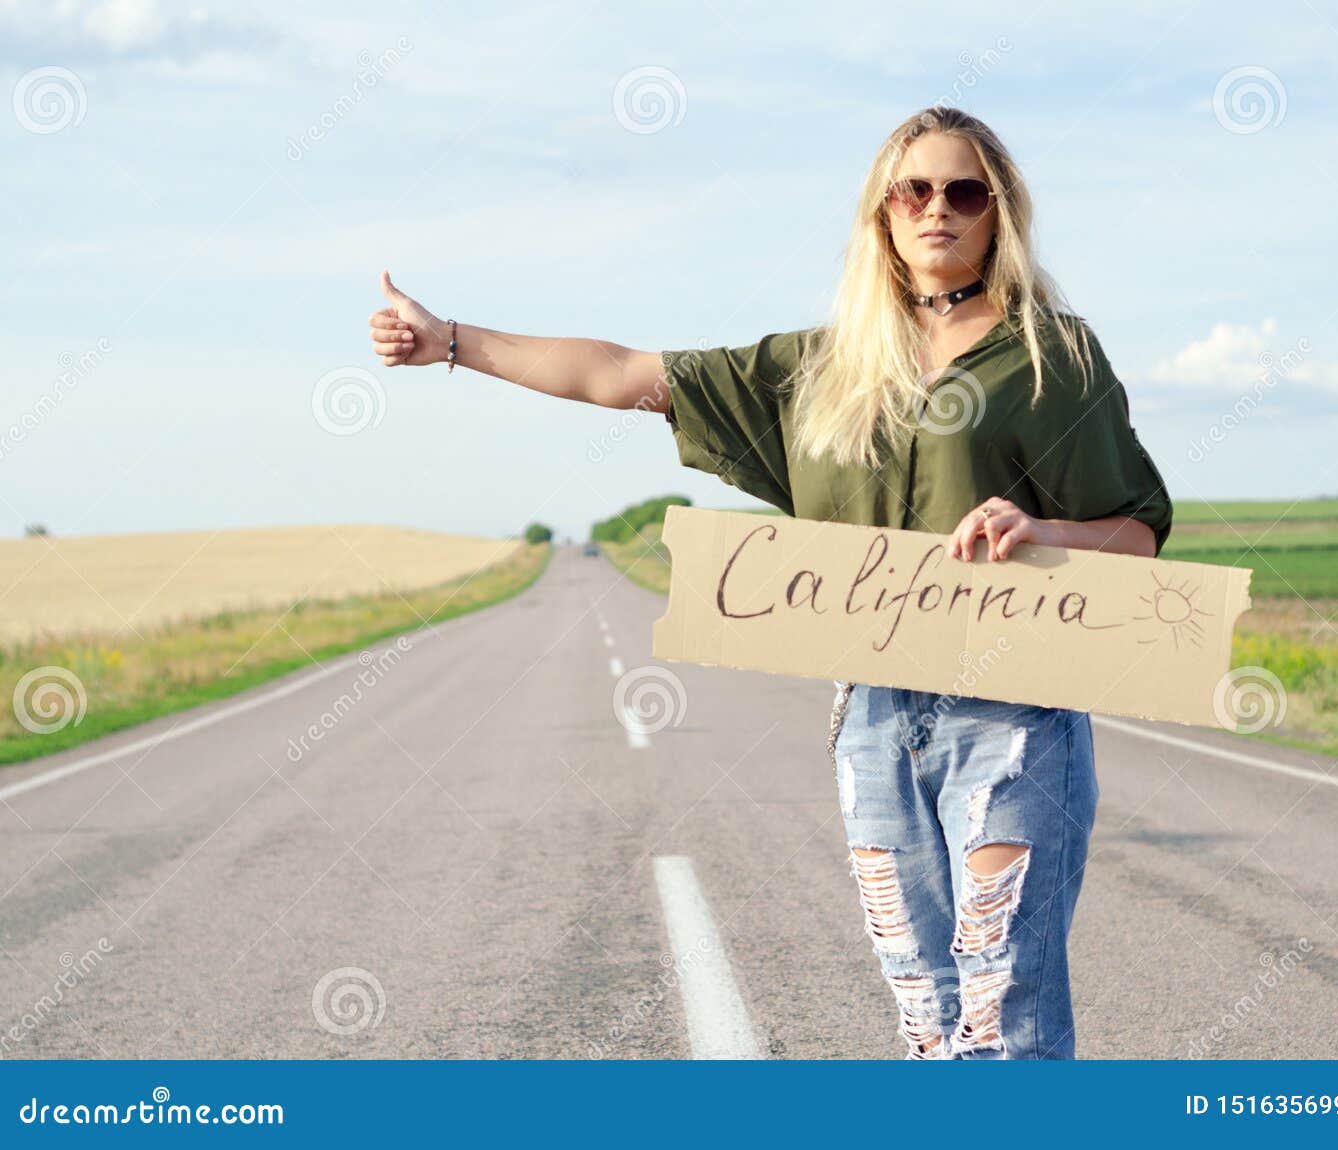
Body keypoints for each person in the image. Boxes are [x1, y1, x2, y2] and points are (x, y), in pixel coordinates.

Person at [367, 105, 1173, 1060]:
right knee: (924, 1013)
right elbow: (623, 372)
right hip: (872, 718)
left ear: (999, 212)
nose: (938, 210)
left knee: (1005, 1004)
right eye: (914, 190)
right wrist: (452, 341)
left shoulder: (1054, 359)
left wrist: (1041, 528)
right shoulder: (821, 368)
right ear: (882, 213)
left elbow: (1139, 535)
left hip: (1012, 719)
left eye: (965, 191)